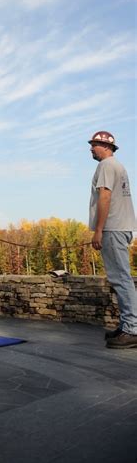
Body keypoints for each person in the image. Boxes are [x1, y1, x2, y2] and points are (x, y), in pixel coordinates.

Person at [88, 130, 137, 348]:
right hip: (121, 227)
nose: (91, 148)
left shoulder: (106, 166)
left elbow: (105, 196)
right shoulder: (118, 166)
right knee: (121, 278)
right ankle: (127, 324)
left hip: (113, 228)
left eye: (95, 144)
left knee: (121, 279)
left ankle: (132, 329)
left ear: (107, 147)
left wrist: (99, 229)